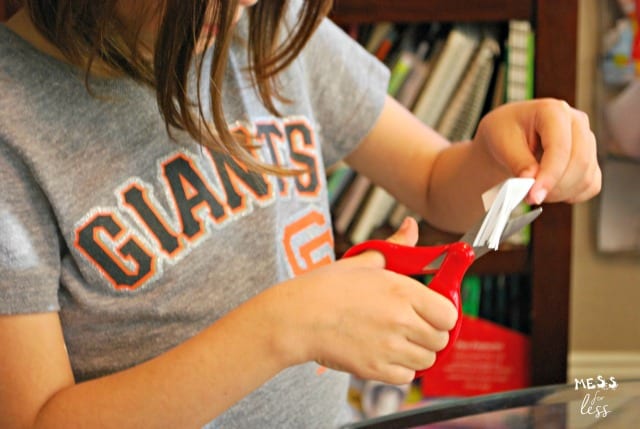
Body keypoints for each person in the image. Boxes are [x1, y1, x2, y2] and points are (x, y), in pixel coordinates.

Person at [0, 0, 600, 428]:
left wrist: (495, 158)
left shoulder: (264, 25)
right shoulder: (12, 125)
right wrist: (285, 328)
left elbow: (433, 180)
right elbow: (37, 419)